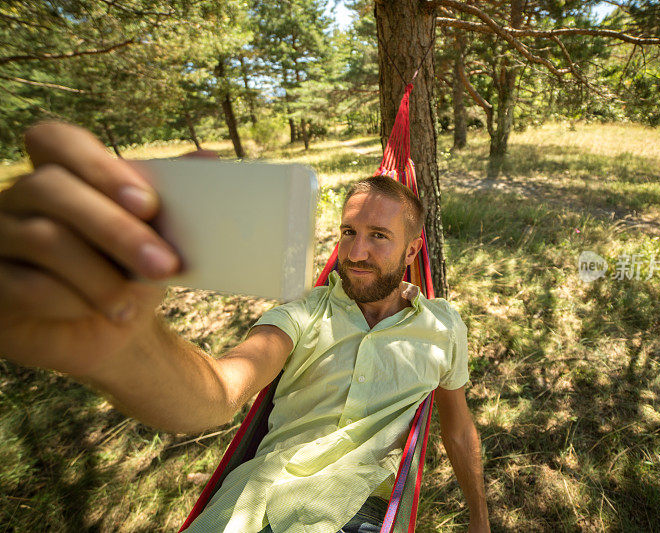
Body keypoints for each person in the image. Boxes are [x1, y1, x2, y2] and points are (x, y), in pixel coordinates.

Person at [0, 122, 490, 532]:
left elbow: (458, 427)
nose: (356, 253)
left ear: (412, 250)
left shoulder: (442, 325)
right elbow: (220, 389)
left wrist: (480, 520)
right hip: (251, 506)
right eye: (348, 232)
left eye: (378, 236)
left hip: (354, 511)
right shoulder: (305, 310)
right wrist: (124, 345)